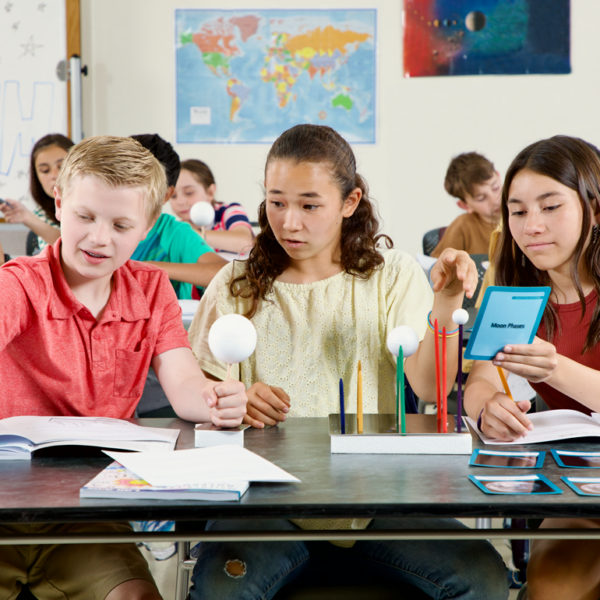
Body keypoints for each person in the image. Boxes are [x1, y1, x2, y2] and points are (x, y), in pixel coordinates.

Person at [187, 124, 508, 600]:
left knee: (482, 578)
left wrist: (448, 300)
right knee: (221, 590)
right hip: (263, 505)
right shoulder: (236, 282)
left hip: (375, 499)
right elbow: (197, 390)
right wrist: (228, 400)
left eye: (310, 204)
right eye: (276, 202)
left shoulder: (390, 275)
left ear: (350, 201)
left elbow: (428, 388)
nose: (289, 222)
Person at [0, 135, 248, 600]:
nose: (99, 237)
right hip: (6, 506)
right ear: (59, 202)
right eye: (84, 217)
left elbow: (185, 385)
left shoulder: (152, 291)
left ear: (149, 225)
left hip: (88, 519)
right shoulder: (18, 286)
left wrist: (215, 400)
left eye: (120, 224)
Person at [463, 135, 600, 600]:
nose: (532, 226)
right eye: (518, 212)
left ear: (594, 209)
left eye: (550, 206)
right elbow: (479, 378)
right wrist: (489, 407)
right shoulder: (517, 290)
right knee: (549, 591)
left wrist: (555, 369)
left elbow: (556, 372)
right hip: (583, 494)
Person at [129, 134, 227, 299]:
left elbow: (227, 274)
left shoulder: (173, 233)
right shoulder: (94, 226)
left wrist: (143, 268)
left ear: (166, 195)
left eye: (137, 184)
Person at [1, 133, 74, 252]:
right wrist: (27, 218)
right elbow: (62, 249)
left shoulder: (95, 205)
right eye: (45, 170)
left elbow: (79, 248)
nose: (54, 175)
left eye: (61, 167)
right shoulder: (40, 217)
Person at [171, 159, 254, 254]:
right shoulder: (175, 228)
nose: (180, 202)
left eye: (189, 193)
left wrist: (194, 235)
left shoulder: (229, 212)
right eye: (173, 196)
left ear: (210, 192)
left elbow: (245, 242)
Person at [431, 152, 501, 258]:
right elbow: (436, 268)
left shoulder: (524, 214)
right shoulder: (462, 226)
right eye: (481, 198)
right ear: (465, 206)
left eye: (495, 187)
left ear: (498, 176)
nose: (495, 200)